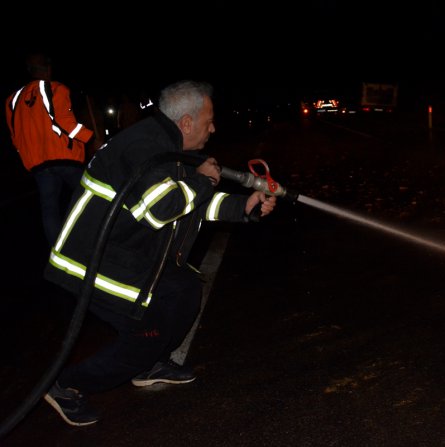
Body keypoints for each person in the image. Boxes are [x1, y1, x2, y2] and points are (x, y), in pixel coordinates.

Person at [42, 80, 277, 426]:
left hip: (130, 252)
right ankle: (66, 385)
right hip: (93, 261)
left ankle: (151, 364)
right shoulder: (143, 147)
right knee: (146, 332)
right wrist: (202, 180)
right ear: (186, 122)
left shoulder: (171, 146)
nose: (213, 128)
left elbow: (190, 204)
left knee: (184, 289)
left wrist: (245, 206)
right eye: (209, 120)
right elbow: (161, 208)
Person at [5, 53, 95, 248]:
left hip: (38, 163)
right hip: (65, 157)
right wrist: (91, 138)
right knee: (90, 197)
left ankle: (58, 250)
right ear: (48, 68)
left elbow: (15, 136)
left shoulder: (12, 100)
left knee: (49, 207)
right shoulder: (56, 88)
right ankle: (96, 239)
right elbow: (66, 123)